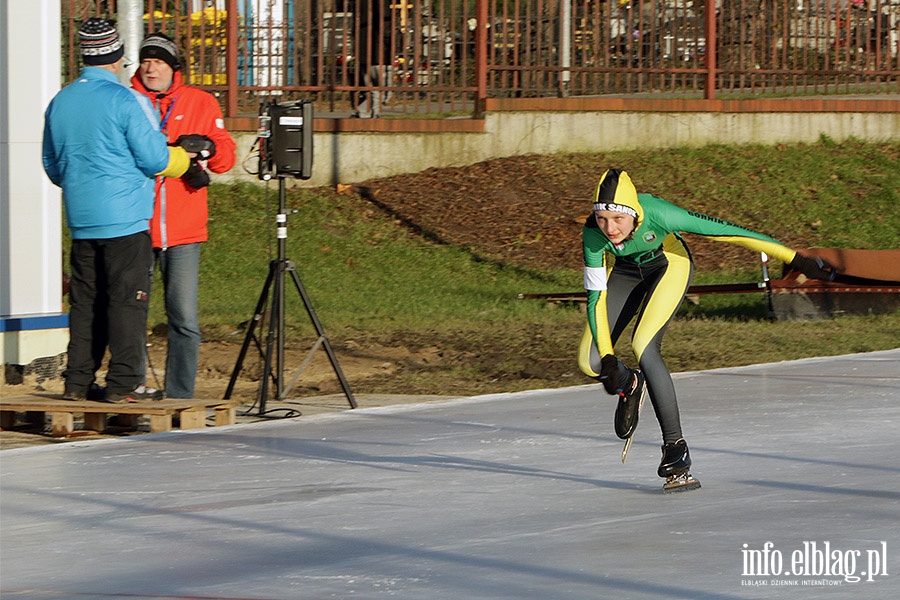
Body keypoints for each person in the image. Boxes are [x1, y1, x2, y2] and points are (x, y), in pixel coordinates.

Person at [578, 169, 836, 484]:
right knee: (589, 362)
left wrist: (796, 258)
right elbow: (596, 299)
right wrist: (607, 358)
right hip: (626, 273)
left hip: (668, 265)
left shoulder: (660, 214)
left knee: (643, 345)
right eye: (603, 218)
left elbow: (728, 232)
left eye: (618, 219)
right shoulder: (593, 234)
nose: (610, 228)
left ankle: (675, 447)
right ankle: (630, 384)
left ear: (634, 212)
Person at [42, 18, 192, 403]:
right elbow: (155, 157)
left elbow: (52, 164)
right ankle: (124, 383)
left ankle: (77, 382)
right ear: (118, 55)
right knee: (128, 301)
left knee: (85, 303)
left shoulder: (61, 100)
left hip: (82, 219)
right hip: (125, 218)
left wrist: (80, 183)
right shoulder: (130, 101)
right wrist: (185, 161)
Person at [131, 32, 237, 399]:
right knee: (132, 317)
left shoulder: (201, 102)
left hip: (183, 231)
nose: (151, 67)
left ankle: (179, 397)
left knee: (184, 320)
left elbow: (226, 157)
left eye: (159, 61)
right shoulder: (127, 100)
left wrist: (206, 150)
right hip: (136, 227)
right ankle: (130, 391)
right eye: (146, 60)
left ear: (174, 68)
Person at [352, 0, 394, 118]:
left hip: (363, 53)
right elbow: (385, 27)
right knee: (384, 92)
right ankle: (368, 113)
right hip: (380, 53)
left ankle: (366, 113)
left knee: (372, 89)